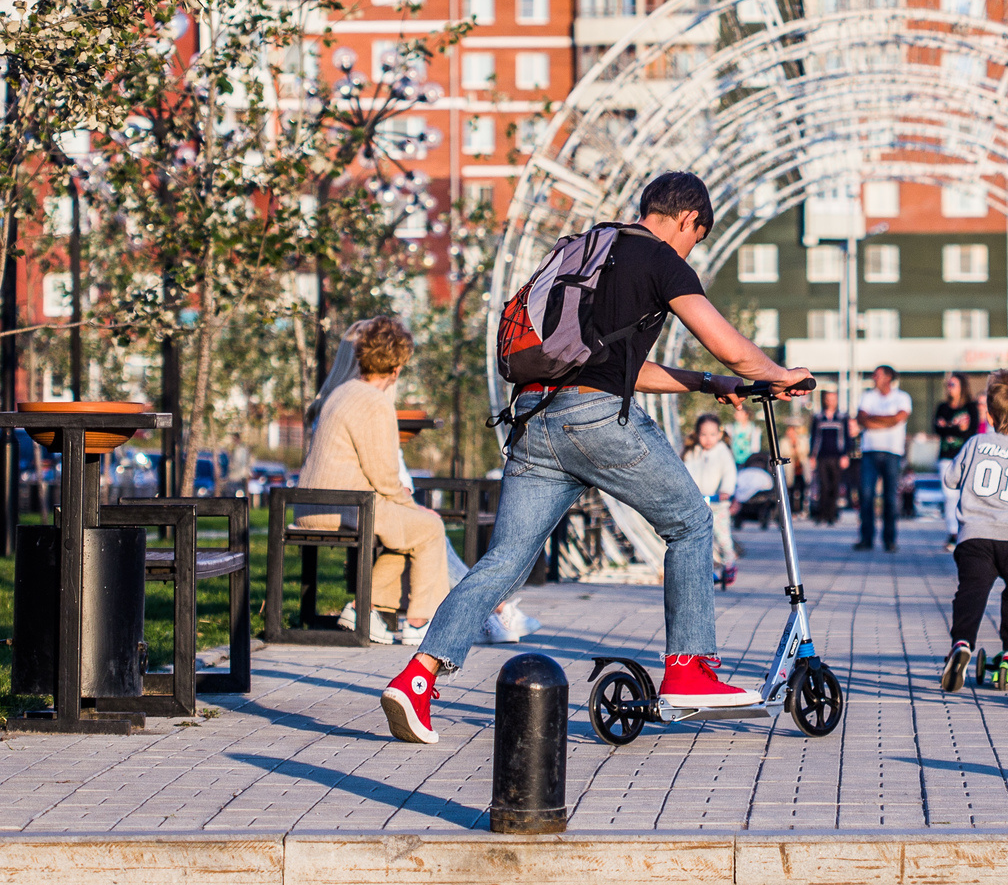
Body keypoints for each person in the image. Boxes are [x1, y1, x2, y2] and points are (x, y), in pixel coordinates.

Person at [381, 171, 810, 744]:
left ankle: (416, 678)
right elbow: (727, 342)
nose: (691, 251)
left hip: (535, 418)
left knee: (504, 560)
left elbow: (622, 368)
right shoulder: (662, 260)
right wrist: (780, 375)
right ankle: (689, 670)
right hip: (595, 420)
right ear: (688, 220)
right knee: (690, 522)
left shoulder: (592, 252)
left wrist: (711, 383)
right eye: (696, 239)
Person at [299, 316, 450, 645]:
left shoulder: (341, 393)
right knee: (430, 528)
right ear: (397, 367)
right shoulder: (375, 403)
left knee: (406, 536)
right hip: (348, 507)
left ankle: (360, 608)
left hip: (316, 503)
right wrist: (413, 506)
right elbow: (384, 476)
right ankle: (418, 621)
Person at [938, 369, 1008, 692]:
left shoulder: (976, 442)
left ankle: (962, 645)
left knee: (971, 592)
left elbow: (950, 480)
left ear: (990, 414)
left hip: (974, 535)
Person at [854, 363, 912, 552]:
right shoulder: (868, 396)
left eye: (877, 375)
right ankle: (866, 538)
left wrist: (874, 420)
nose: (874, 378)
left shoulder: (902, 397)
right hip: (869, 451)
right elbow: (861, 419)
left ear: (888, 377)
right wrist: (887, 420)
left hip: (892, 453)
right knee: (866, 495)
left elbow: (898, 418)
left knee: (890, 498)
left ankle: (889, 540)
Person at [683, 411, 740, 586]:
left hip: (718, 503)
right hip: (698, 503)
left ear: (720, 435)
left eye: (712, 435)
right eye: (704, 434)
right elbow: (686, 471)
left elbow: (729, 473)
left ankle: (729, 563)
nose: (708, 439)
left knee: (722, 536)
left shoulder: (723, 452)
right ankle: (711, 568)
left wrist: (726, 490)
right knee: (704, 538)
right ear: (697, 434)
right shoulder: (692, 452)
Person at [934, 372, 978, 551]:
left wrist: (949, 427)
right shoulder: (943, 407)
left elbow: (971, 431)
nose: (949, 388)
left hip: (965, 456)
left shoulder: (971, 407)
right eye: (948, 385)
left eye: (953, 384)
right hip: (946, 456)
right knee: (948, 496)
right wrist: (956, 428)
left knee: (965, 496)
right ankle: (952, 532)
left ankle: (965, 532)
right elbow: (937, 428)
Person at [808, 388, 850, 525]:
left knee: (835, 486)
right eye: (828, 399)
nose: (831, 401)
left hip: (837, 456)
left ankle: (832, 515)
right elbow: (814, 437)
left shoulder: (842, 418)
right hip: (822, 456)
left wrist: (845, 455)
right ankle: (822, 514)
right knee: (823, 486)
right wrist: (812, 455)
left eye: (833, 399)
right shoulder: (819, 417)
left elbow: (846, 437)